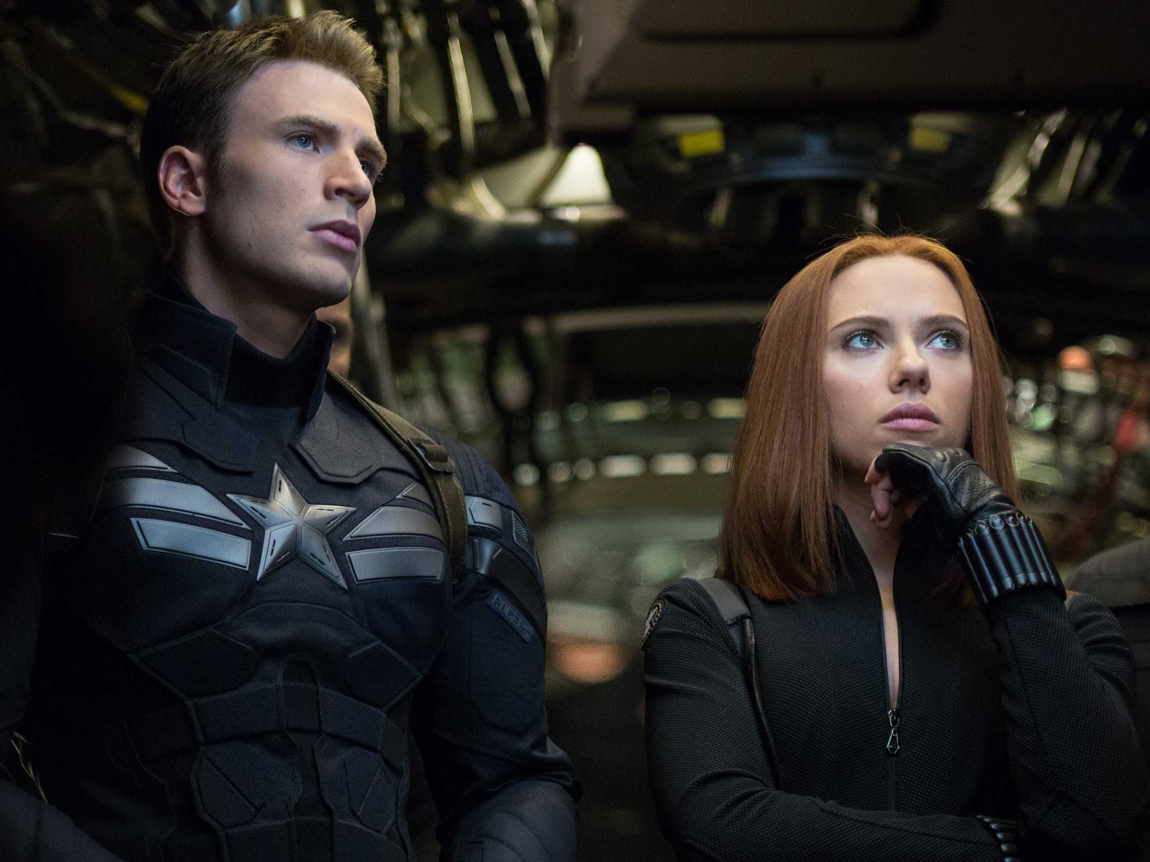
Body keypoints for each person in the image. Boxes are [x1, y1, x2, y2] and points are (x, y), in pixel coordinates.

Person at [0, 12, 577, 862]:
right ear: (186, 182)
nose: (353, 183)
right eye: (305, 140)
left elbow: (515, 779)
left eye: (368, 161)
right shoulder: (45, 457)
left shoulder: (448, 493)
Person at [643, 234, 1148, 861]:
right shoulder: (708, 623)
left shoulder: (1070, 625)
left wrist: (996, 528)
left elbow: (1100, 828)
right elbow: (725, 828)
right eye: (863, 338)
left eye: (946, 340)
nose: (914, 366)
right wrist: (1003, 850)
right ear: (797, 383)